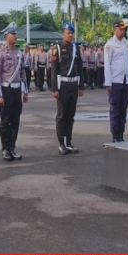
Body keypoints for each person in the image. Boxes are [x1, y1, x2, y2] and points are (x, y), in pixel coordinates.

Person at [0, 22, 28, 161]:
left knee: (15, 121)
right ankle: (5, 149)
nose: (15, 36)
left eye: (15, 34)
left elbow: (23, 73)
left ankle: (12, 147)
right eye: (13, 34)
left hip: (16, 91)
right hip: (6, 91)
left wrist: (25, 92)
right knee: (5, 121)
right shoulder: (0, 53)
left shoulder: (19, 53)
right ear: (6, 36)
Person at [50, 21, 84, 155]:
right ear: (63, 34)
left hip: (73, 85)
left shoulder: (76, 49)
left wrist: (81, 86)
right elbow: (53, 71)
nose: (71, 35)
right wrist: (54, 89)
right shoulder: (57, 49)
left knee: (70, 115)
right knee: (61, 115)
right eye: (68, 33)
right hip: (62, 85)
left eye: (72, 33)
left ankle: (69, 142)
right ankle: (61, 143)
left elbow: (80, 68)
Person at [104, 20, 128, 142]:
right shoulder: (109, 44)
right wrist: (108, 83)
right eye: (121, 29)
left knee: (123, 109)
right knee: (115, 109)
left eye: (124, 30)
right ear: (114, 29)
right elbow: (107, 64)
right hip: (115, 82)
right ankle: (115, 134)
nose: (123, 31)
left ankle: (121, 133)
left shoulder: (126, 43)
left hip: (125, 81)